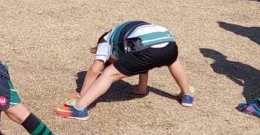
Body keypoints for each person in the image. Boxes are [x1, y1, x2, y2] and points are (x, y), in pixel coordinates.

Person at [55, 21, 194, 119]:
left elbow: (95, 69)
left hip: (146, 46)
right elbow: (143, 64)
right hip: (169, 42)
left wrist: (82, 94)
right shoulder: (126, 37)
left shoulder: (106, 40)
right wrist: (141, 89)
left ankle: (79, 109)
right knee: (172, 60)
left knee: (108, 74)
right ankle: (186, 95)